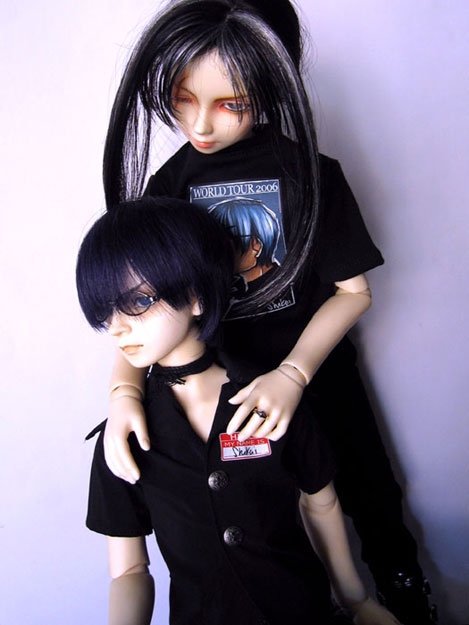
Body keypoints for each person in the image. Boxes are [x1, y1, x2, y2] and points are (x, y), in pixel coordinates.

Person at [98, 1, 437, 622]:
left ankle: (403, 594)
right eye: (182, 100)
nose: (200, 123)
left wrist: (295, 373)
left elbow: (353, 291)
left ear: (270, 90)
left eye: (229, 103)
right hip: (222, 388)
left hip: (316, 372)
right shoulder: (170, 188)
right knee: (249, 521)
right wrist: (124, 390)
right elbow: (141, 300)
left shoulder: (311, 175)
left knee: (368, 488)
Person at [77, 196, 402, 625]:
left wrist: (355, 600)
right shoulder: (124, 437)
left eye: (138, 302)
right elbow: (129, 571)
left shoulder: (269, 400)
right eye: (105, 311)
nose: (117, 327)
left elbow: (321, 505)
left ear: (196, 296)